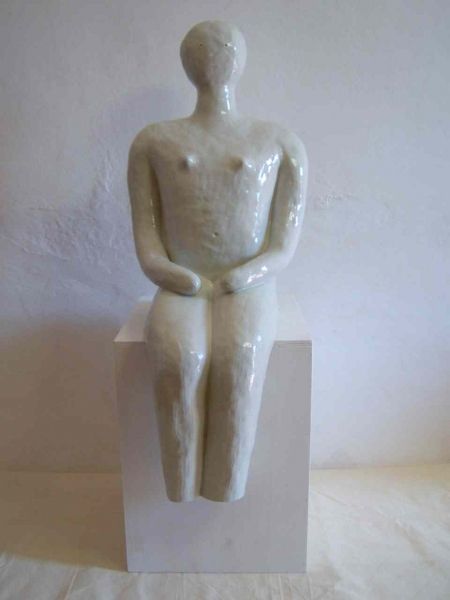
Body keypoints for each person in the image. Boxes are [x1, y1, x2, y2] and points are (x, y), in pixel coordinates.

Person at [127, 20, 307, 502]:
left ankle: (226, 487)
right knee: (177, 359)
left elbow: (283, 244)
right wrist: (170, 274)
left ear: (240, 61)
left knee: (240, 358)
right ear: (186, 63)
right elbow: (148, 239)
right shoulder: (153, 143)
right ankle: (181, 487)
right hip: (183, 283)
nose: (215, 55)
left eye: (224, 48)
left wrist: (249, 273)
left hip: (246, 283)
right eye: (203, 49)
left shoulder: (279, 143)